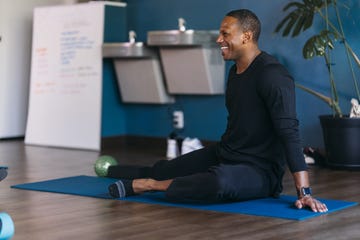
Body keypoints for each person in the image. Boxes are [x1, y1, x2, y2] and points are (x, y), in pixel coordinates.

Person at [105, 9, 328, 212]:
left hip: (259, 171)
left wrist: (305, 193)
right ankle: (110, 171)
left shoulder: (273, 75)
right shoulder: (234, 73)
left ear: (246, 36)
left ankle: (149, 186)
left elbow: (289, 132)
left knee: (219, 182)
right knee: (164, 169)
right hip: (225, 154)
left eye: (225, 33)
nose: (219, 39)